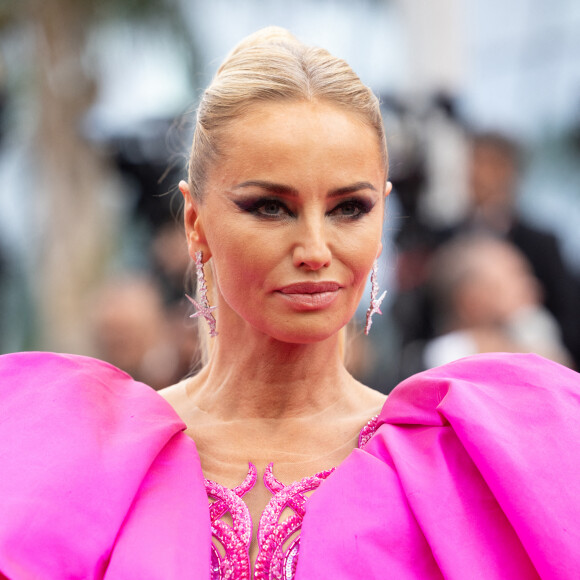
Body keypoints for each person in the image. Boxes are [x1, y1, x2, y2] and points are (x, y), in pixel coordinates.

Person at [1, 27, 579, 579]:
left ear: (382, 217)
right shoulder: (69, 453)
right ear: (196, 222)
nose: (315, 249)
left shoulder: (477, 458)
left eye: (349, 208)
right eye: (270, 207)